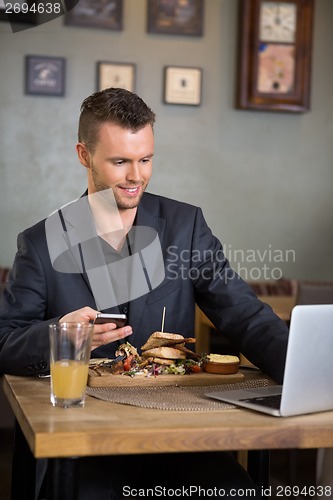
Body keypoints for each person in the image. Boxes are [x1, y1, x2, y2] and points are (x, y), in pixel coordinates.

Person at [0, 87, 289, 499]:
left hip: (178, 438)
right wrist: (61, 334)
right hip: (83, 446)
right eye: (120, 162)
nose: (137, 176)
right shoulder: (41, 242)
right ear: (84, 155)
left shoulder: (185, 225)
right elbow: (5, 341)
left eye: (146, 159)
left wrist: (301, 371)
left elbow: (242, 313)